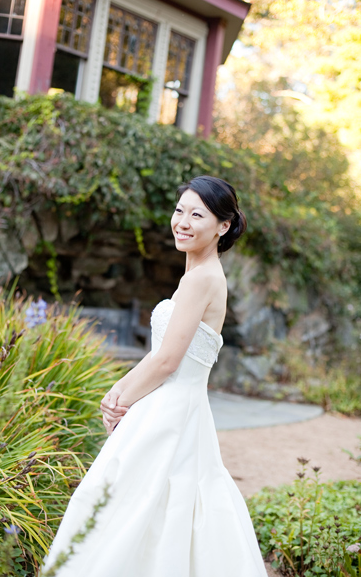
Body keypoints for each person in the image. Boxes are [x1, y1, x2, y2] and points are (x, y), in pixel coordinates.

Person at [43, 176, 267, 576]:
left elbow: (166, 360)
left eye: (197, 214)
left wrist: (118, 397)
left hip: (170, 411)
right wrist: (121, 394)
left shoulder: (202, 278)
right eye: (179, 210)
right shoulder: (199, 274)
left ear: (222, 226)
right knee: (155, 508)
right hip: (176, 406)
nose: (182, 221)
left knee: (135, 505)